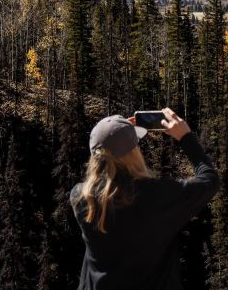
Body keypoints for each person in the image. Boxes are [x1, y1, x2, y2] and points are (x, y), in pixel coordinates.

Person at [70, 108, 219, 290]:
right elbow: (209, 180)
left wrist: (113, 133)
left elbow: (104, 159)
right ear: (134, 154)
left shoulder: (81, 198)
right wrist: (186, 137)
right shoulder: (157, 196)